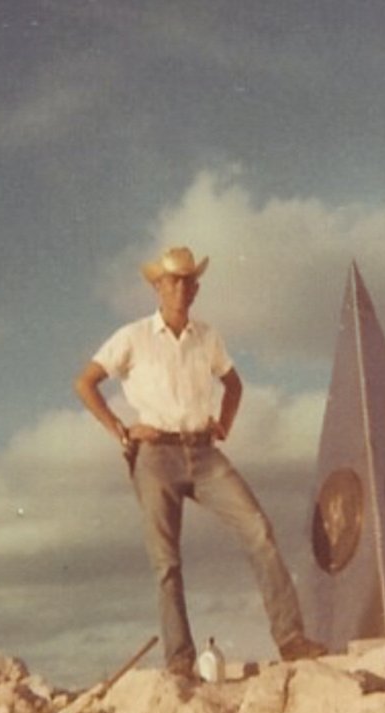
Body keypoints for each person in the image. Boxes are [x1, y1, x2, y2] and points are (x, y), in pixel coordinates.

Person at [75, 246, 327, 677]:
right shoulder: (132, 337)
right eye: (172, 281)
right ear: (157, 287)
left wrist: (223, 424)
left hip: (204, 453)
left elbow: (234, 384)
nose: (181, 288)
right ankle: (180, 661)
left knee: (259, 530)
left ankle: (291, 640)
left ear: (197, 288)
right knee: (166, 562)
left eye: (188, 281)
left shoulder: (208, 336)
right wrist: (121, 430)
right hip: (154, 457)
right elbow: (86, 382)